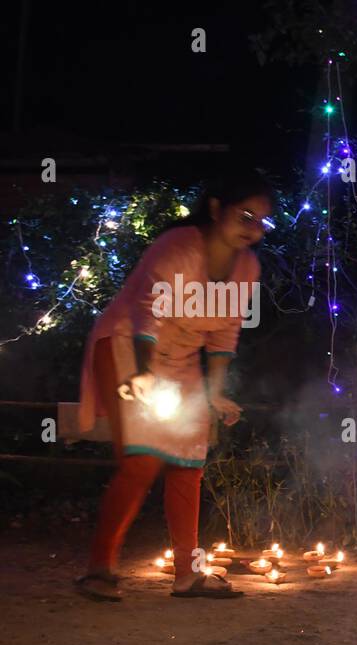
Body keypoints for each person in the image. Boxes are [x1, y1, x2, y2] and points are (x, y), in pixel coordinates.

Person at [74, 168, 274, 601]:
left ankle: (189, 574)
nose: (253, 229)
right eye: (245, 216)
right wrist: (144, 374)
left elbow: (224, 334)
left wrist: (214, 392)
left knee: (189, 462)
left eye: (261, 221)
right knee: (143, 461)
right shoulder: (178, 246)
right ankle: (99, 570)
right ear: (217, 209)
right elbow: (149, 310)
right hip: (130, 344)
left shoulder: (247, 267)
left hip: (181, 359)